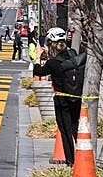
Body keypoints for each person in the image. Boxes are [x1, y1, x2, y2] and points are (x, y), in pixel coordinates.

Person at [33, 27, 87, 165]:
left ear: (51, 44)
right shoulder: (73, 54)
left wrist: (38, 56)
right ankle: (83, 156)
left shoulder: (53, 63)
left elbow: (38, 71)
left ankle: (71, 161)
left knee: (64, 130)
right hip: (76, 97)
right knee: (75, 127)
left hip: (62, 100)